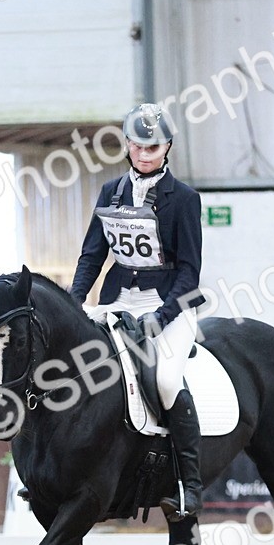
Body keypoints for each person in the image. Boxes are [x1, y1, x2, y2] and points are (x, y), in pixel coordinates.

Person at [68, 102, 206, 518]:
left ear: (168, 147)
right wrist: (75, 301)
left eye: (153, 148)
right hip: (117, 298)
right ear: (127, 145)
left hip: (167, 301)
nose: (145, 154)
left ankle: (189, 485)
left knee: (165, 380)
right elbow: (92, 255)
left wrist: (162, 317)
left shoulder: (185, 199)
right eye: (138, 146)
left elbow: (190, 271)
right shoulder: (111, 192)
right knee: (74, 365)